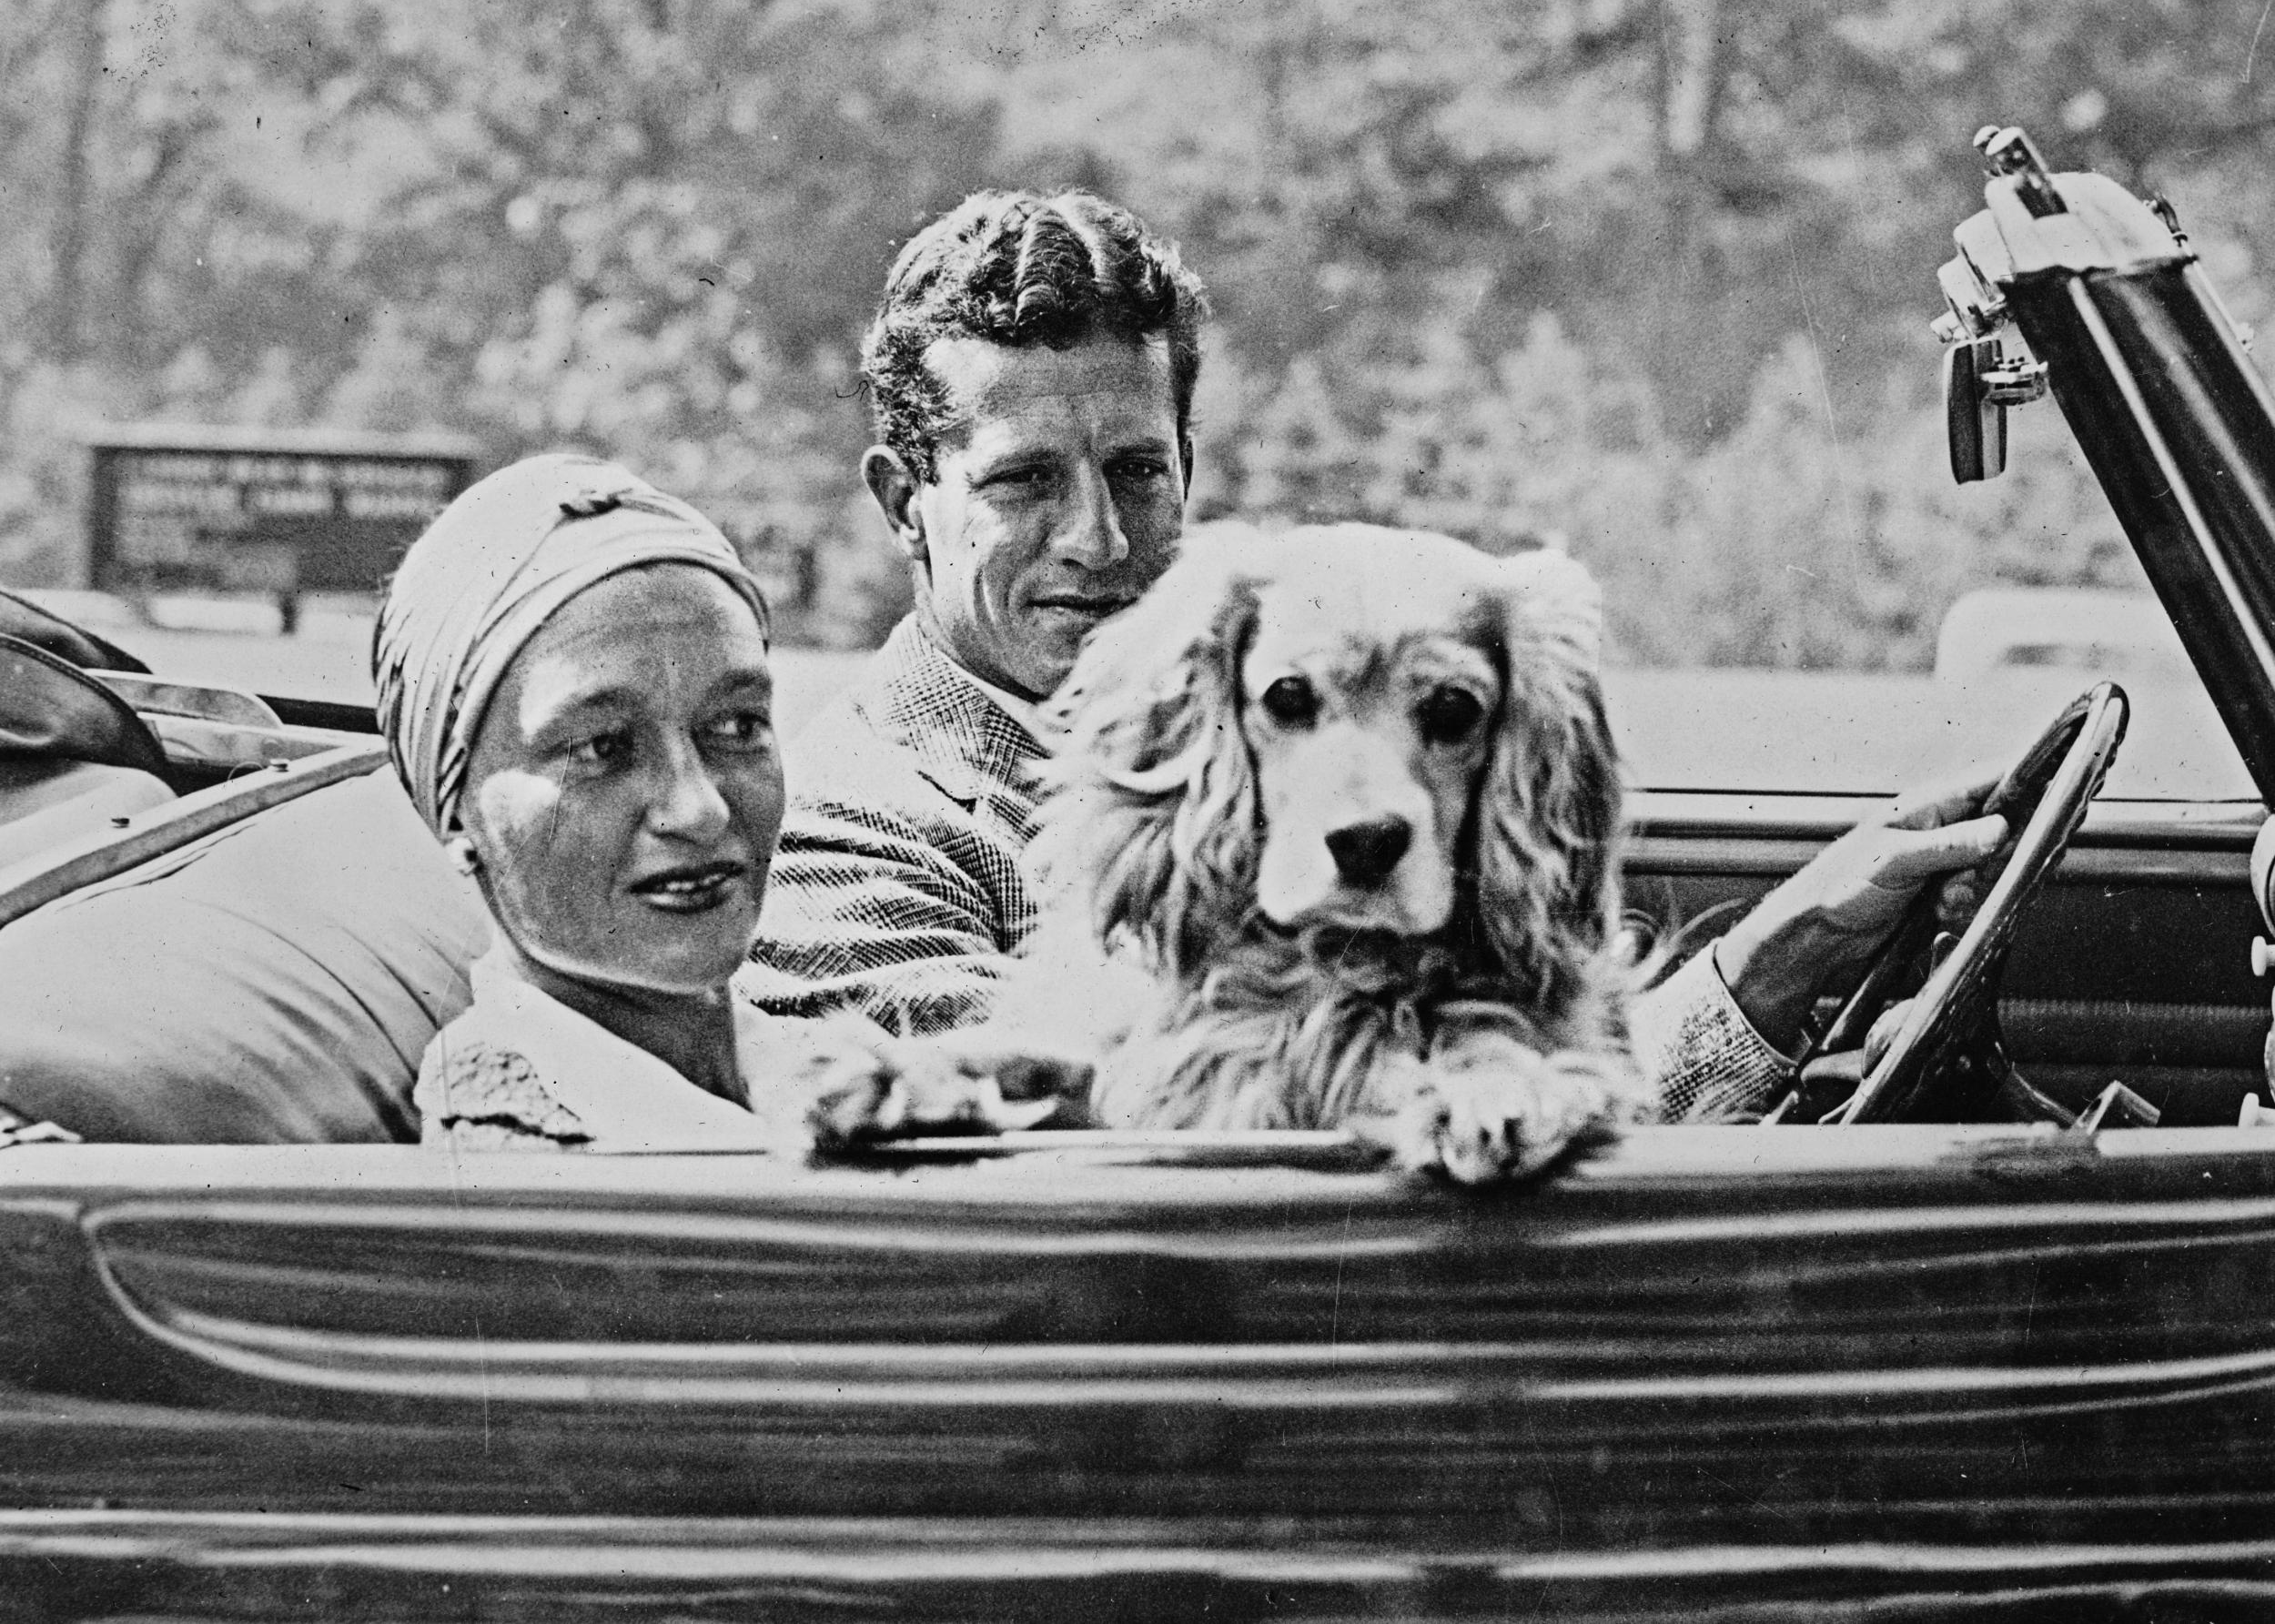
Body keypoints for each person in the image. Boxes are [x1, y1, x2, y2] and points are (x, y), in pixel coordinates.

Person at [743, 191, 2007, 1118]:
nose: (1101, 536)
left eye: (1139, 469)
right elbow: (1146, 1136)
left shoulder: (1214, 701)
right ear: (904, 499)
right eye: (1024, 482)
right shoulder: (848, 831)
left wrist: (1791, 954)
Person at [376, 453, 1052, 1153]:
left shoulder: (817, 1066)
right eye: (602, 747)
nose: (699, 810)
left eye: (736, 728)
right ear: (457, 812)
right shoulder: (523, 1165)